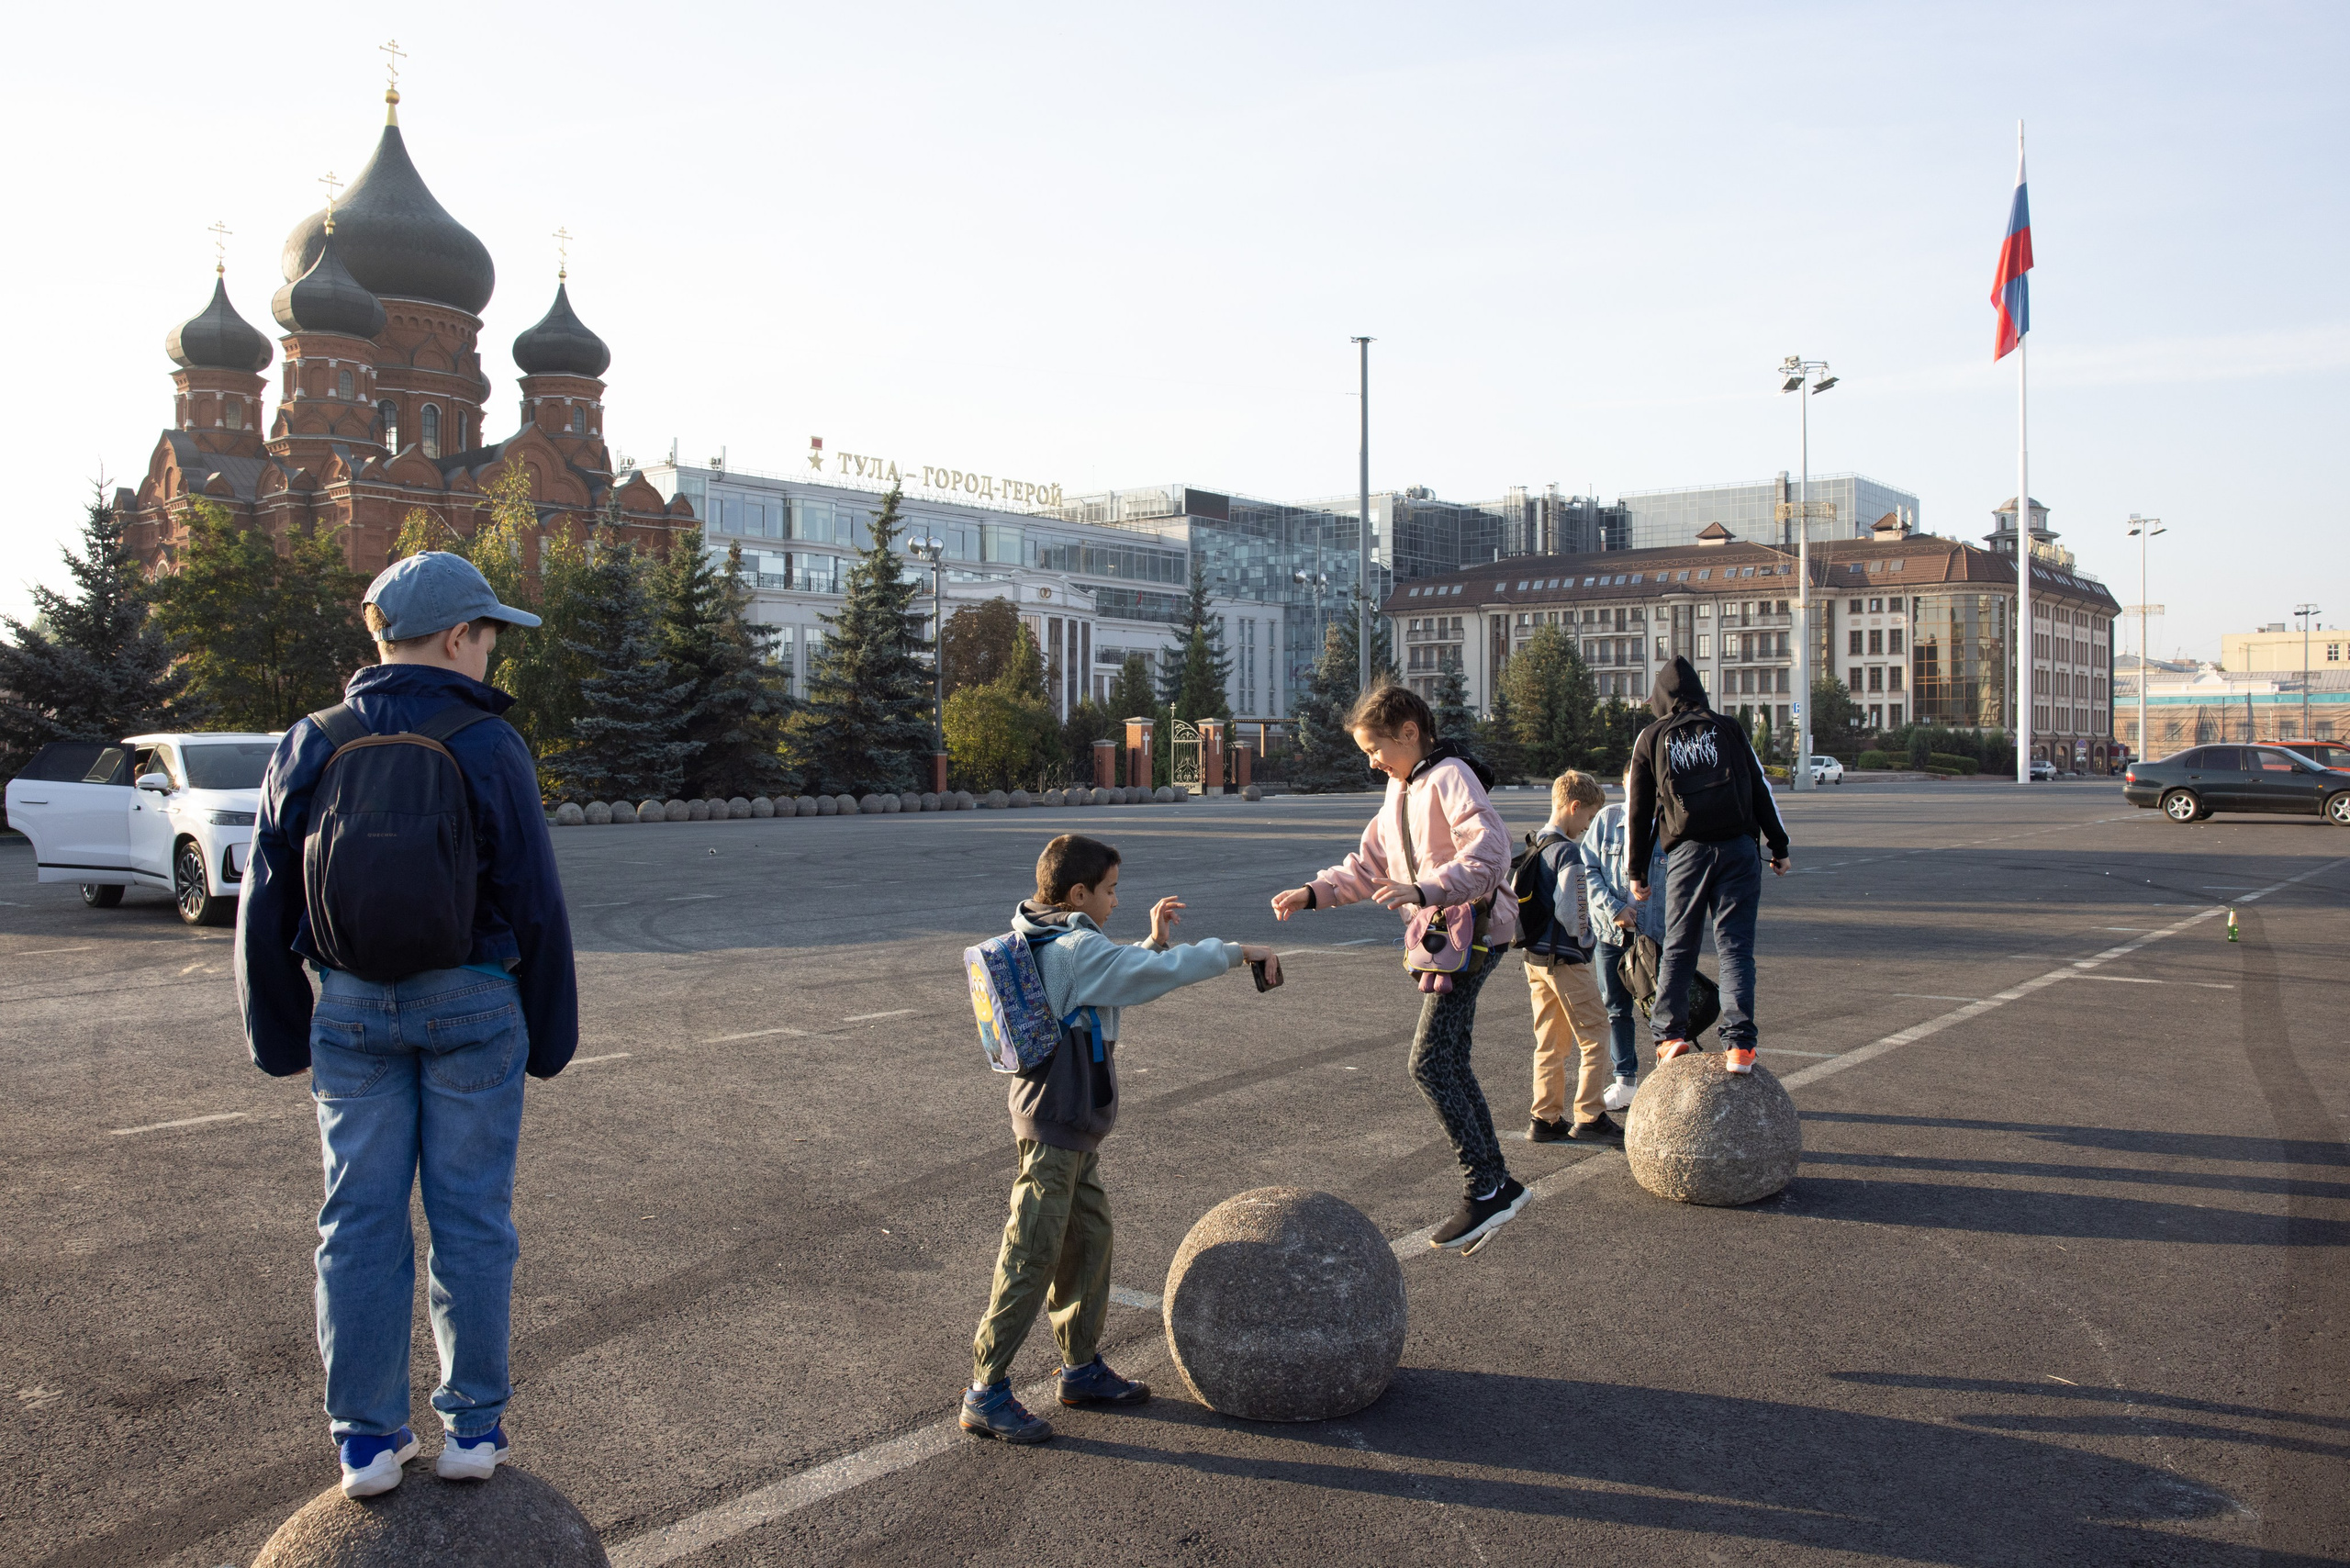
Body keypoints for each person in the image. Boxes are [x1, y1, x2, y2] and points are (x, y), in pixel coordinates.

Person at [236, 552, 577, 1499]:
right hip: (472, 1003)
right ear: (458, 637)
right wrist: (551, 1030)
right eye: (490, 638)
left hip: (349, 1009)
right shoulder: (487, 741)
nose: (491, 655)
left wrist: (278, 1029)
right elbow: (534, 896)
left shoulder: (312, 738)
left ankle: (368, 1441)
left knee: (356, 1221)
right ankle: (473, 1427)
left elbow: (266, 891)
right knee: (472, 1218)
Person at [964, 834, 1283, 1444]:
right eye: (1110, 891)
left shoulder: (1048, 937)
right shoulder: (1075, 947)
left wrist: (1152, 941)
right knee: (1032, 1252)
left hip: (1069, 1126)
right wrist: (1239, 951)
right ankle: (986, 1389)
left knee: (1087, 1241)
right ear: (1078, 893)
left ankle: (1081, 1369)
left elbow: (1111, 975)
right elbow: (1149, 975)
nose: (1116, 900)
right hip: (1056, 1127)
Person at [1271, 685, 1525, 1253]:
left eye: (1375, 749)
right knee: (1448, 1060)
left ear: (1410, 733)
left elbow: (1490, 852)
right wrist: (1313, 893)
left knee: (1429, 1062)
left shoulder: (1450, 775)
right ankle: (1497, 1185)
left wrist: (1425, 889)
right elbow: (1369, 866)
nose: (1372, 762)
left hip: (1474, 932)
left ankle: (1486, 1187)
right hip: (1447, 937)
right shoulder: (1400, 787)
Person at [1624, 655, 1790, 1076]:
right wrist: (1779, 845)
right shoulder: (1728, 727)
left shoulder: (1652, 737)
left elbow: (1639, 809)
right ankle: (1740, 1046)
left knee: (1680, 945)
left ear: (1661, 698)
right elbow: (1759, 788)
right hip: (1738, 849)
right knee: (1735, 948)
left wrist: (1637, 871)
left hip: (1687, 853)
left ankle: (1669, 1036)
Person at [1521, 770, 1619, 1144]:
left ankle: (1544, 1118)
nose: (1587, 826)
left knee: (1550, 1041)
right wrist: (1588, 939)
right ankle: (1590, 1116)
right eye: (1589, 817)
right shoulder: (1568, 852)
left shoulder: (1536, 844)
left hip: (1534, 958)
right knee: (1596, 1033)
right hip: (1564, 959)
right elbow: (1572, 910)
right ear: (1575, 806)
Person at [1578, 764, 1668, 1111]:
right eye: (1636, 781)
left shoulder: (1670, 824)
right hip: (1611, 932)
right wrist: (1615, 908)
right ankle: (1625, 1081)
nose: (1643, 787)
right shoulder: (1606, 820)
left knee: (1662, 1010)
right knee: (1615, 1008)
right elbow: (1588, 870)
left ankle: (1667, 1081)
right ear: (1625, 784)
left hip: (1656, 935)